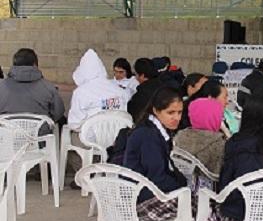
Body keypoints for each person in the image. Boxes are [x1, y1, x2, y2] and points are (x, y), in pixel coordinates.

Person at [123, 87, 187, 221]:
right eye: (171, 113)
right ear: (156, 111)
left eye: (179, 113)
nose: (176, 118)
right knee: (204, 207)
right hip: (142, 202)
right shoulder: (148, 136)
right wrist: (185, 189)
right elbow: (157, 177)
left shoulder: (153, 131)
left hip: (142, 194)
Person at [67, 49, 129, 182]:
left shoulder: (81, 92)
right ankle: (105, 172)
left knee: (71, 139)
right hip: (116, 139)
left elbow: (74, 123)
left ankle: (86, 175)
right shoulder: (119, 91)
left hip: (90, 140)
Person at [0, 48, 65, 126]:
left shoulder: (1, 86)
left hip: (6, 135)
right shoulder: (49, 88)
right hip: (39, 136)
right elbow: (58, 113)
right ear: (35, 64)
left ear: (14, 64)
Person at [174, 98, 228, 176]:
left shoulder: (179, 137)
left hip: (186, 182)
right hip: (214, 185)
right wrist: (227, 132)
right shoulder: (220, 144)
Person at [127, 58, 163, 122]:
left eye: (136, 74)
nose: (135, 77)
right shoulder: (163, 87)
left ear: (142, 76)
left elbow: (133, 113)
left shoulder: (141, 95)